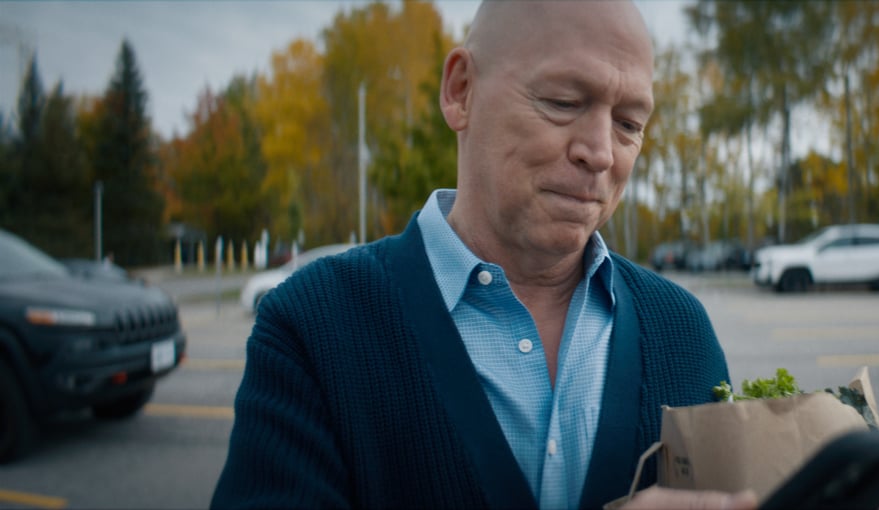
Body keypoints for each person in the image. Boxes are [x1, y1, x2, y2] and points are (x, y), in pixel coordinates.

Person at [211, 1, 755, 509]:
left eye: (629, 124)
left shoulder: (685, 335)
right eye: (564, 103)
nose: (601, 152)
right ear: (461, 91)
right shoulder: (311, 329)